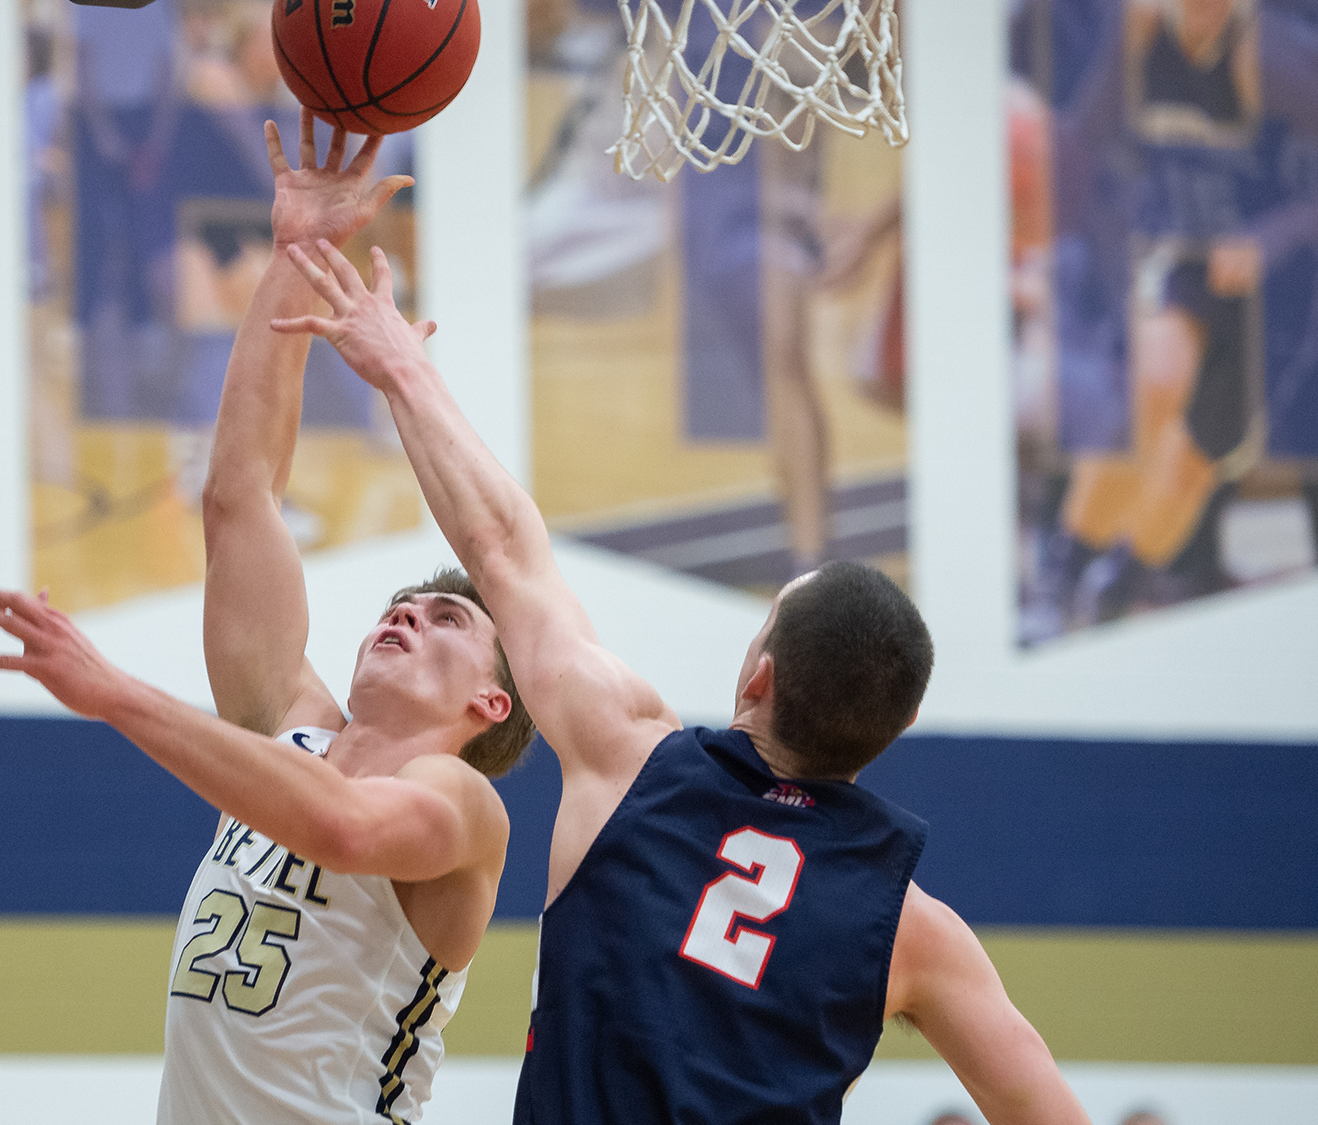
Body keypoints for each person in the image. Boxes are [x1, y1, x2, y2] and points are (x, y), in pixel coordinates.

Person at [272, 239, 1091, 1124]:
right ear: (902, 721)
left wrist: (400, 366)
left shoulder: (629, 754)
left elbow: (499, 546)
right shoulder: (913, 930)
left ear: (757, 677)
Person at [0, 110, 536, 1125]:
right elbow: (240, 499)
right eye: (401, 605)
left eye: (446, 619)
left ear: (491, 701)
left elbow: (340, 827)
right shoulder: (288, 731)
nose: (406, 615)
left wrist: (114, 694)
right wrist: (296, 253)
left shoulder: (460, 805)